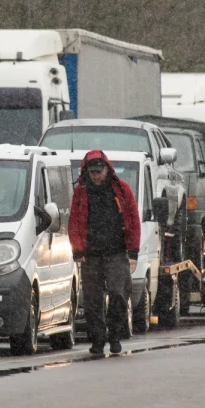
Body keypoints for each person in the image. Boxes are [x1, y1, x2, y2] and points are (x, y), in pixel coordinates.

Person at [68, 150, 141, 356]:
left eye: (99, 171)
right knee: (92, 300)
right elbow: (74, 222)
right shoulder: (80, 193)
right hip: (90, 255)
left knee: (119, 294)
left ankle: (115, 334)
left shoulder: (121, 189)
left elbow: (133, 220)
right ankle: (97, 340)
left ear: (107, 169)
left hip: (117, 253)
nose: (96, 176)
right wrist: (77, 250)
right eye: (92, 172)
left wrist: (133, 251)